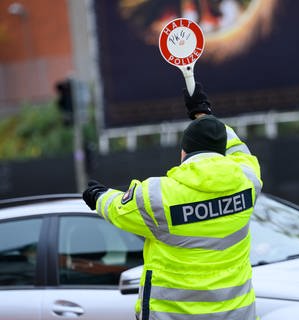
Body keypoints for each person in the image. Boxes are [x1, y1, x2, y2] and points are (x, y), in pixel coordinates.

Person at [83, 83, 262, 320]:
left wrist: (97, 196)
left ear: (183, 153)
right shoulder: (248, 182)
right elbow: (238, 149)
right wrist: (204, 115)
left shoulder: (157, 197)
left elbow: (117, 209)